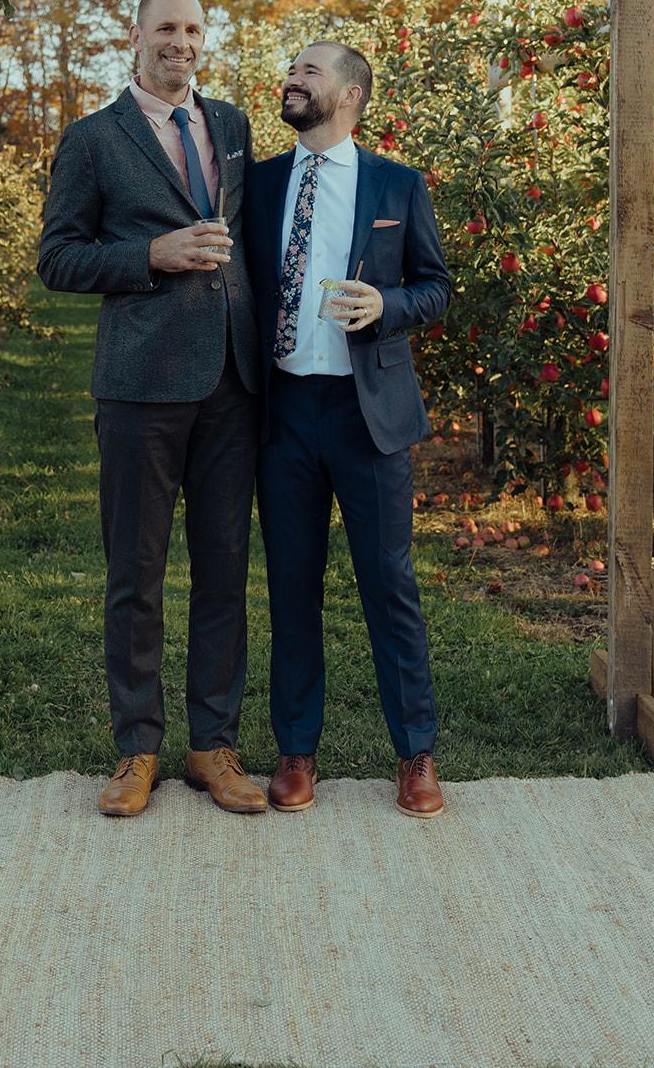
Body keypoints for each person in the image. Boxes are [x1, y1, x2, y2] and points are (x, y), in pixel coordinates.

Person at [37, 0, 265, 818]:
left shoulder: (232, 127)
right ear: (134, 36)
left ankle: (212, 746)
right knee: (135, 572)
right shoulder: (94, 140)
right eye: (166, 27)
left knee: (223, 570)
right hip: (139, 386)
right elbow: (57, 258)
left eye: (195, 28)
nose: (182, 42)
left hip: (232, 385)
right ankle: (137, 747)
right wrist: (152, 254)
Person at [244, 40, 451, 817]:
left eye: (310, 70)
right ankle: (296, 751)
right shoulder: (259, 185)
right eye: (290, 67)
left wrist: (385, 307)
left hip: (368, 416)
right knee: (291, 586)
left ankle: (416, 755)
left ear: (352, 95)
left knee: (388, 585)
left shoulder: (396, 183)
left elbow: (435, 286)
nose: (292, 78)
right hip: (284, 413)